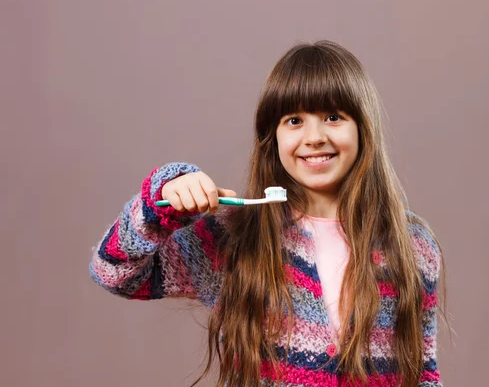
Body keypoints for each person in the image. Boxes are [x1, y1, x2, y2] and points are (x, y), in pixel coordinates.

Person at [90, 40, 446, 387]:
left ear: (362, 128)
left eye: (334, 117)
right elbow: (114, 272)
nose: (314, 137)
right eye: (294, 120)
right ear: (272, 136)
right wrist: (160, 200)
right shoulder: (235, 237)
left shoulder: (412, 245)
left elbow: (424, 373)